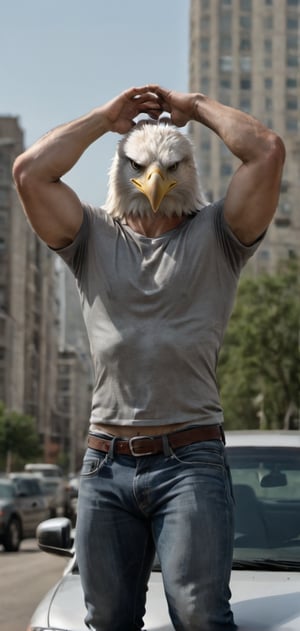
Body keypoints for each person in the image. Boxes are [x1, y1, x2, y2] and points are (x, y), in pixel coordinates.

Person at [13, 85, 285, 631]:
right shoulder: (89, 235)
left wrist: (196, 107)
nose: (155, 178)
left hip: (190, 460)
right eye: (141, 165)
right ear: (121, 167)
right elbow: (29, 173)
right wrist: (104, 118)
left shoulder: (220, 236)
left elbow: (266, 152)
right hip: (103, 462)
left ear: (189, 170)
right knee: (107, 619)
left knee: (199, 617)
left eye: (170, 165)